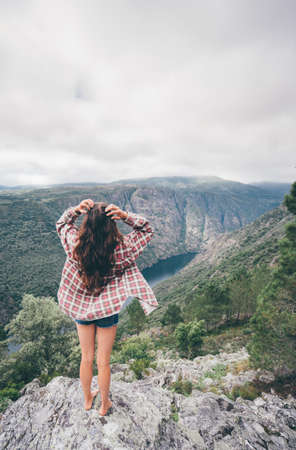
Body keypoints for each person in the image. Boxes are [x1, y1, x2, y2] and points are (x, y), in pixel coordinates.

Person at [56, 198, 158, 416]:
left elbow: (62, 225)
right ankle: (104, 404)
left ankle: (86, 399)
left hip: (82, 310)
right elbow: (147, 229)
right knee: (103, 362)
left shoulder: (75, 245)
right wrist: (125, 216)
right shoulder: (123, 250)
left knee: (87, 358)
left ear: (87, 224)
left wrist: (75, 210)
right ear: (112, 224)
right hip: (107, 311)